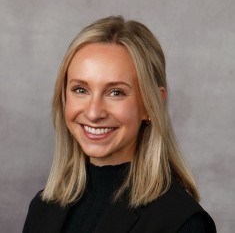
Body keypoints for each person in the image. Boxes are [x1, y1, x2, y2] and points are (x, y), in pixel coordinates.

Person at [23, 16, 216, 233]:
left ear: (151, 105)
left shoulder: (182, 223)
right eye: (80, 90)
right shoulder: (42, 208)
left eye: (116, 92)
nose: (94, 112)